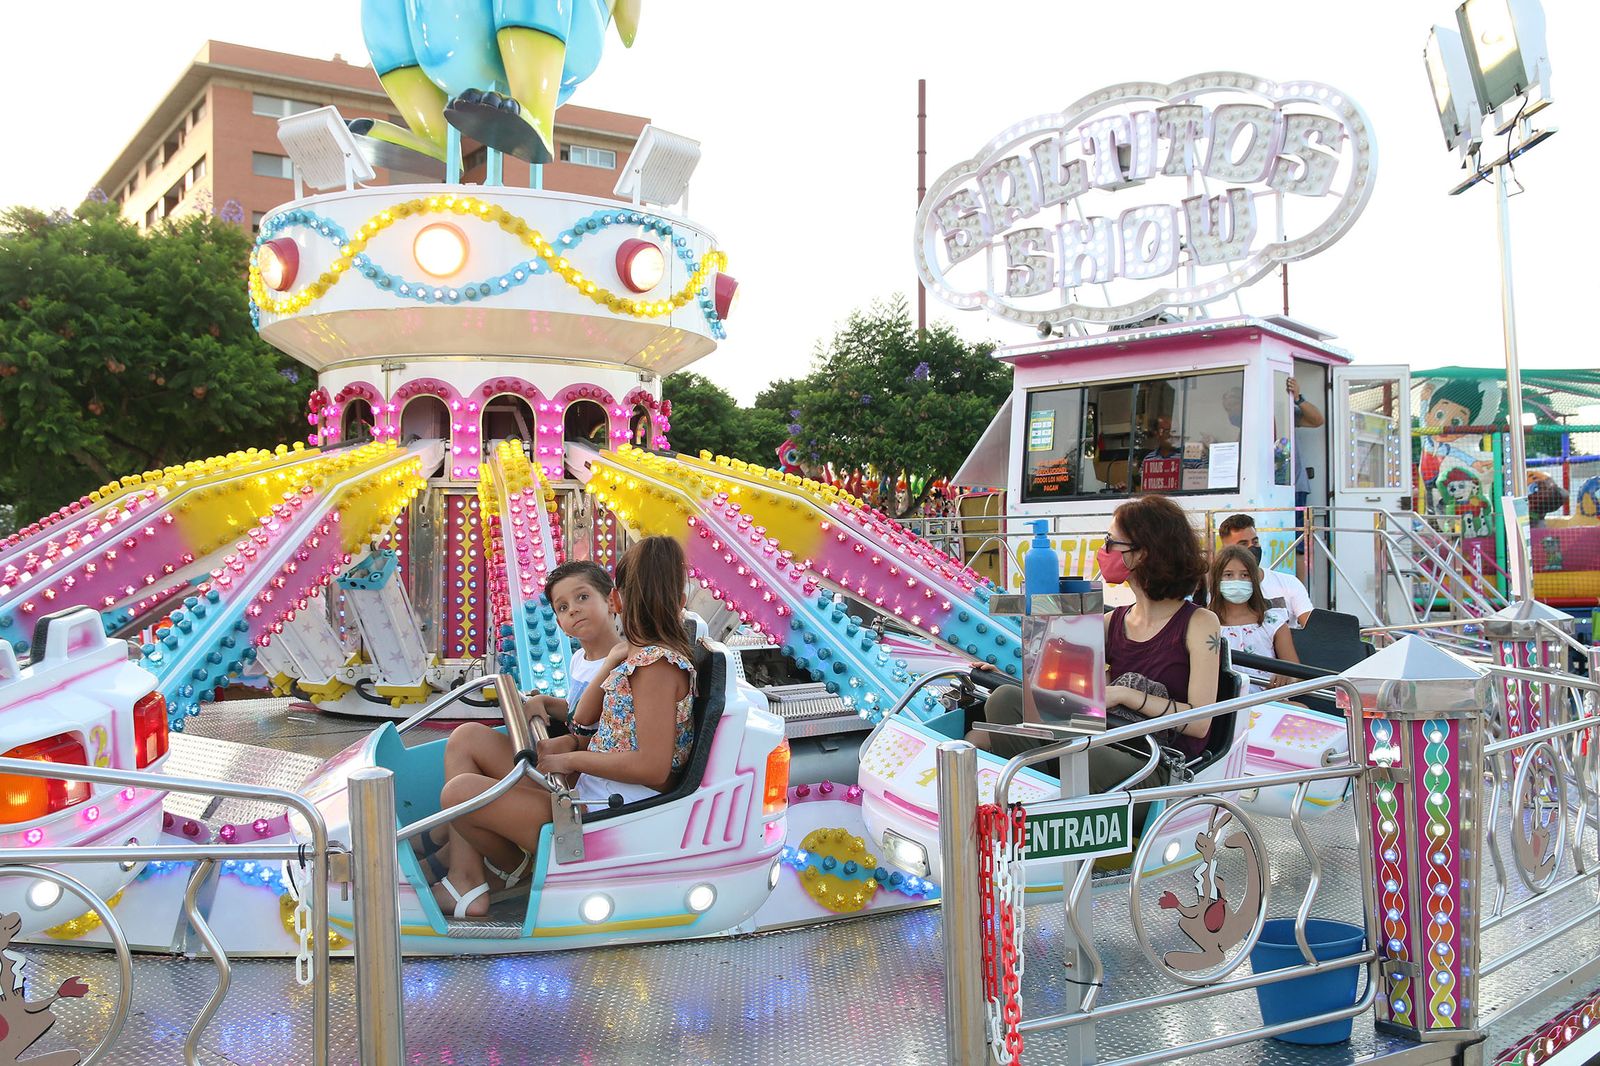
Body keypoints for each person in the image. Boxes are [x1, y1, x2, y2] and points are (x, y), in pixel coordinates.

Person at [428, 536, 697, 918]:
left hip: (607, 815)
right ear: (681, 602)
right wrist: (571, 743)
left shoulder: (655, 667)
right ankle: (470, 872)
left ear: (615, 601)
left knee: (460, 793)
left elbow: (654, 768)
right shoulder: (636, 658)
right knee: (468, 738)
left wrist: (573, 760)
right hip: (588, 793)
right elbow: (590, 724)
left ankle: (512, 872)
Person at [975, 495, 1221, 793]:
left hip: (1156, 762)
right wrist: (1004, 674)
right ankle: (1039, 807)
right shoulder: (1112, 622)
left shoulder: (1199, 623)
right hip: (1105, 737)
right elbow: (1058, 690)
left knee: (1080, 756)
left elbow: (1200, 723)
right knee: (1003, 700)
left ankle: (1050, 799)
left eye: (1110, 542)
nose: (1102, 551)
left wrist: (1126, 695)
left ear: (1142, 553)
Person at [1203, 546, 1300, 691]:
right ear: (1217, 579)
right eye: (1228, 575)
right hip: (1221, 706)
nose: (1237, 581)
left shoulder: (1273, 623)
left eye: (1245, 575)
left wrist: (1285, 677)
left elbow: (1296, 673)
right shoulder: (1203, 623)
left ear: (1254, 579)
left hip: (1267, 704)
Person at [1216, 513, 1313, 626]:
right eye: (1243, 544)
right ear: (1226, 550)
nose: (1252, 547)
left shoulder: (1289, 583)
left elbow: (1312, 626)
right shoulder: (1220, 589)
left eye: (1255, 542)